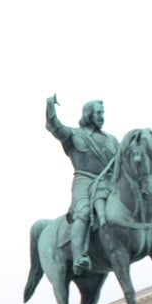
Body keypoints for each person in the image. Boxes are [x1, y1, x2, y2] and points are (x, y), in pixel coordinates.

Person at [46, 94, 119, 276]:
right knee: (84, 212)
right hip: (84, 181)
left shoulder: (112, 140)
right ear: (88, 114)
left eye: (103, 113)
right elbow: (55, 127)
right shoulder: (75, 135)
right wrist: (50, 106)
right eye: (98, 113)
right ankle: (79, 256)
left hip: (108, 183)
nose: (101, 116)